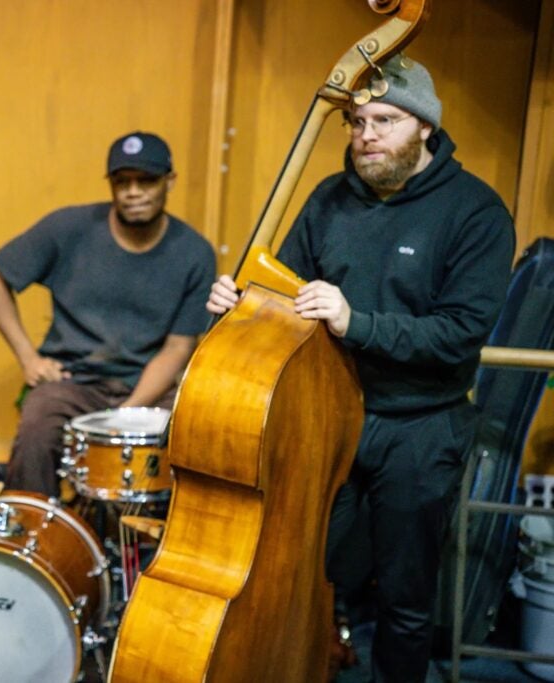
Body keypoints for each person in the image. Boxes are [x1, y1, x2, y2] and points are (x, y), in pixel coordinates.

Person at [207, 55, 515, 682]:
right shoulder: (329, 198)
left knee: (403, 599)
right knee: (310, 574)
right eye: (355, 121)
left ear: (425, 127)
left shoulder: (475, 212)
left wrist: (357, 322)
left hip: (421, 426)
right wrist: (242, 303)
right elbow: (283, 290)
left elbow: (460, 334)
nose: (366, 135)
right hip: (329, 414)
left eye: (385, 120)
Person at [0, 131, 217, 498]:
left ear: (170, 180)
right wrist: (29, 358)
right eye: (122, 182)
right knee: (37, 427)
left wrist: (125, 414)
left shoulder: (195, 253)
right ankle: (33, 539)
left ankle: (162, 544)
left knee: (194, 434)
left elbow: (178, 348)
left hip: (151, 387)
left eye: (146, 180)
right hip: (74, 380)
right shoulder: (68, 228)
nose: (133, 191)